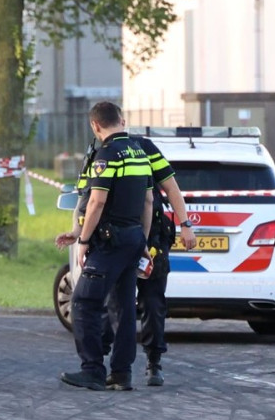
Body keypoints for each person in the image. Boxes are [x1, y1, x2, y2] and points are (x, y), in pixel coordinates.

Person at [54, 101, 151, 391]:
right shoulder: (138, 152)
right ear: (120, 120)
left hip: (111, 241)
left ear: (95, 126)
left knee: (83, 300)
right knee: (123, 308)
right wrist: (143, 241)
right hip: (133, 237)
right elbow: (148, 201)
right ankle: (122, 374)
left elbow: (96, 201)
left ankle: (93, 370)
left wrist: (82, 240)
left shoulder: (107, 155)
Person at [102, 126, 198, 386]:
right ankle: (110, 362)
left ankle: (152, 362)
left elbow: (171, 187)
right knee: (113, 302)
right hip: (120, 238)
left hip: (148, 238)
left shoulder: (142, 148)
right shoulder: (102, 150)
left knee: (151, 302)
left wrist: (186, 224)